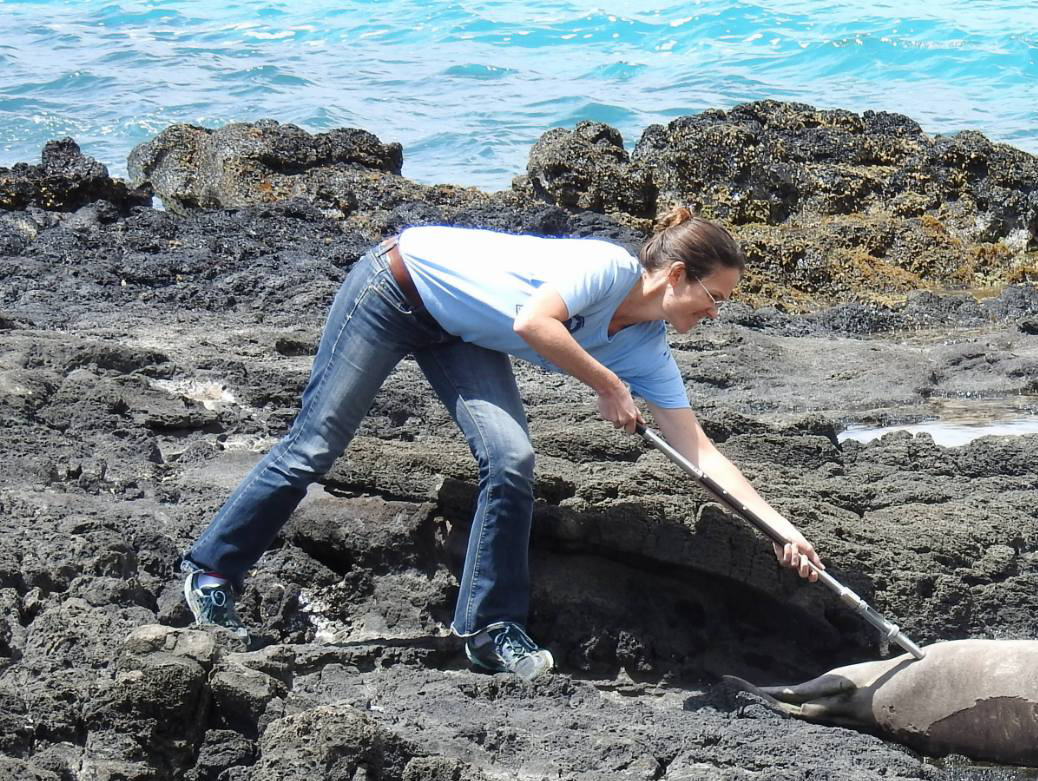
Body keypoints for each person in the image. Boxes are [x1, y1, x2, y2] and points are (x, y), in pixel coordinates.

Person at [178, 206, 821, 681]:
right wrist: (604, 385)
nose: (714, 315)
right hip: (394, 290)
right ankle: (209, 573)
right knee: (316, 447)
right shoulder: (607, 267)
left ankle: (487, 629)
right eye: (714, 298)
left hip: (462, 335)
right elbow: (532, 322)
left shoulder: (648, 348)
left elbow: (700, 450)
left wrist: (780, 530)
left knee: (511, 460)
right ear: (677, 275)